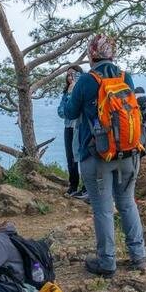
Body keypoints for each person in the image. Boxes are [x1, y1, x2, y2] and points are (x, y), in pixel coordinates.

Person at [58, 33, 146, 277]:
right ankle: (138, 256)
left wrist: (70, 89)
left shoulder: (87, 81)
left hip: (97, 154)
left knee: (103, 208)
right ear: (113, 53)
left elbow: (68, 112)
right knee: (127, 203)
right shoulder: (125, 77)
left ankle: (107, 262)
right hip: (128, 152)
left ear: (92, 54)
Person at [59, 66, 86, 199]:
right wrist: (69, 94)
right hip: (68, 127)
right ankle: (73, 185)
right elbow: (61, 112)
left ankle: (86, 187)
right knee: (70, 158)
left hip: (80, 127)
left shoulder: (81, 90)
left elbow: (74, 111)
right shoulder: (67, 92)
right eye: (68, 75)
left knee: (82, 156)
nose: (70, 77)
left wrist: (71, 96)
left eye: (73, 75)